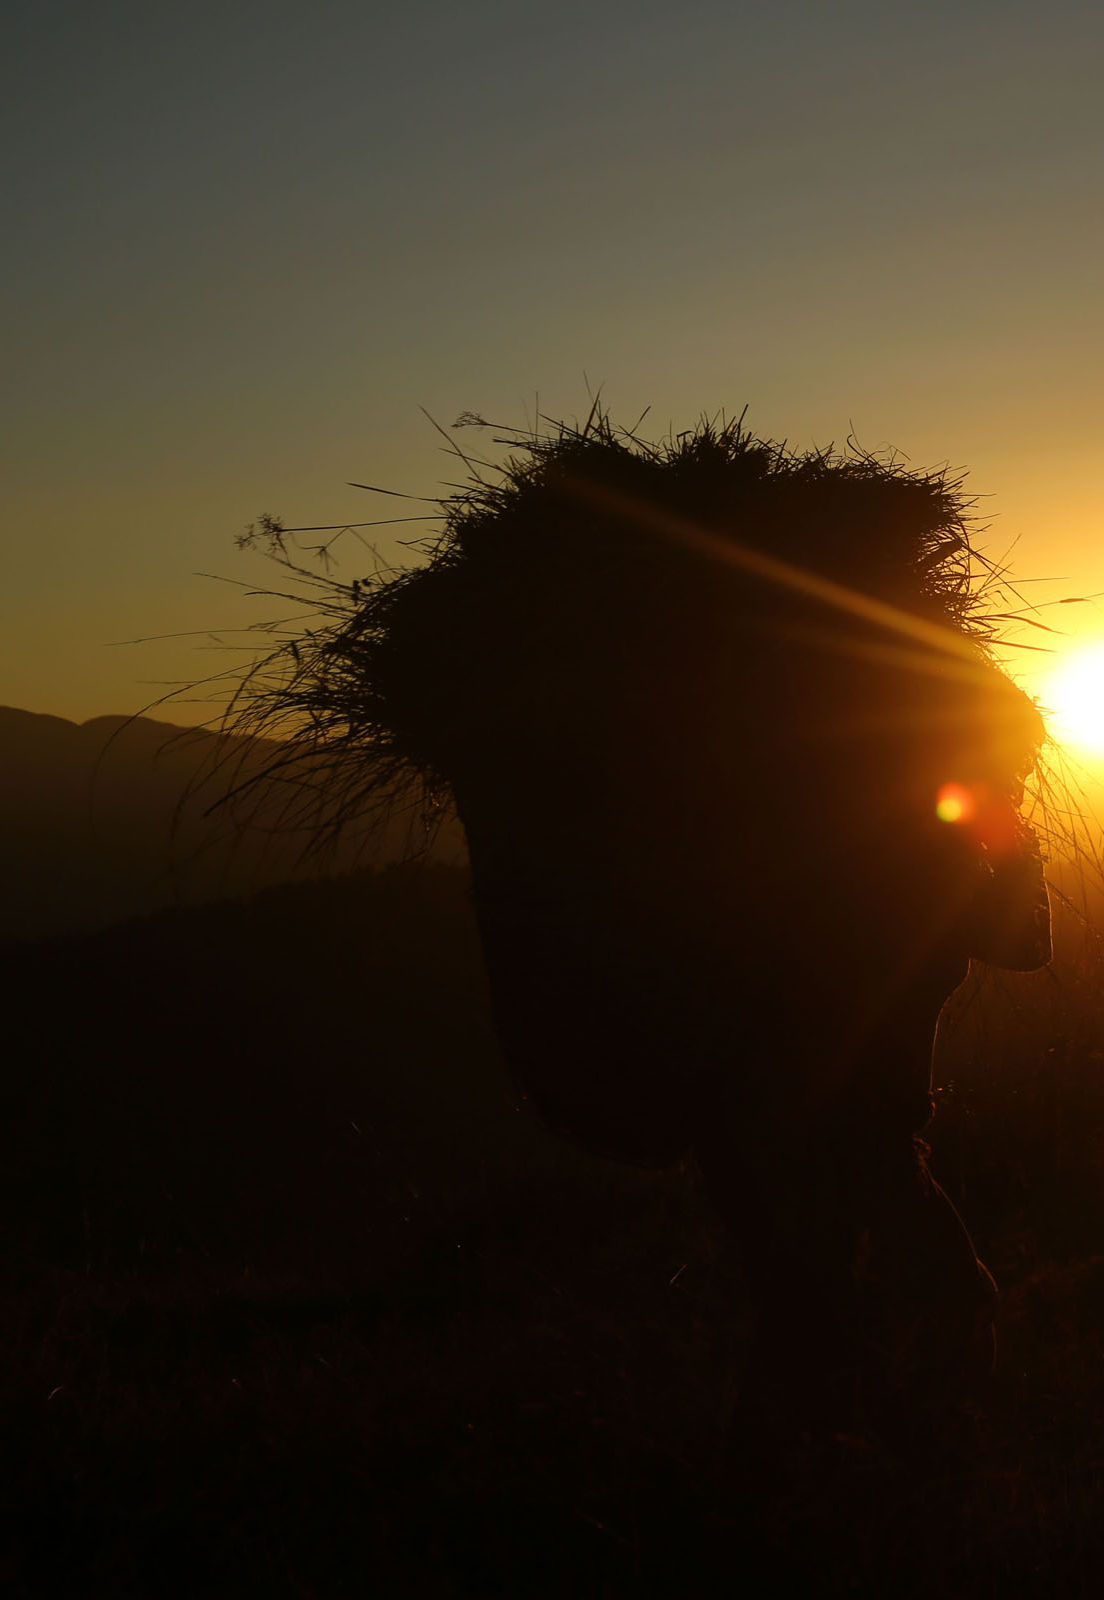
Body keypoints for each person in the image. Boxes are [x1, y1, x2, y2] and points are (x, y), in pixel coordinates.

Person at [248, 412, 1051, 1503]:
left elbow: (1011, 943)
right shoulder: (908, 863)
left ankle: (813, 1500)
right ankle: (846, 1511)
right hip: (820, 1121)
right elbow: (1020, 944)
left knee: (826, 1311)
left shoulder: (885, 856)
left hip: (773, 1113)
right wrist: (1008, 820)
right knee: (900, 1312)